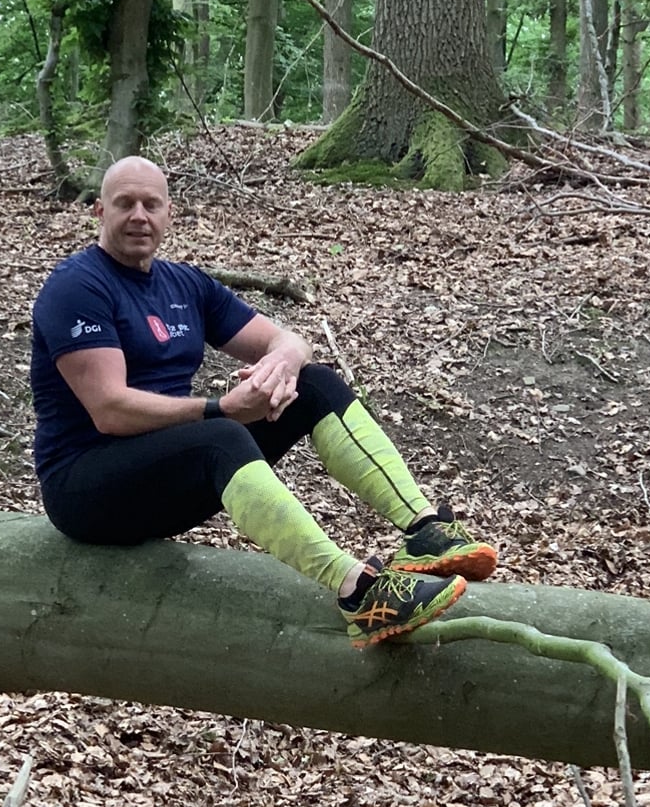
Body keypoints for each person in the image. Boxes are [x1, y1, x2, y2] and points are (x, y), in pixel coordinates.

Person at [30, 156, 497, 649]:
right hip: (85, 489)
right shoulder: (78, 286)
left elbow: (288, 341)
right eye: (125, 204)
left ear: (170, 213)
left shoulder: (184, 284)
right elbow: (110, 410)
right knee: (221, 436)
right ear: (100, 211)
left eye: (151, 204)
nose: (139, 216)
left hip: (163, 473)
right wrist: (221, 408)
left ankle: (425, 530)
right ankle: (359, 592)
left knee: (313, 384)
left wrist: (283, 366)